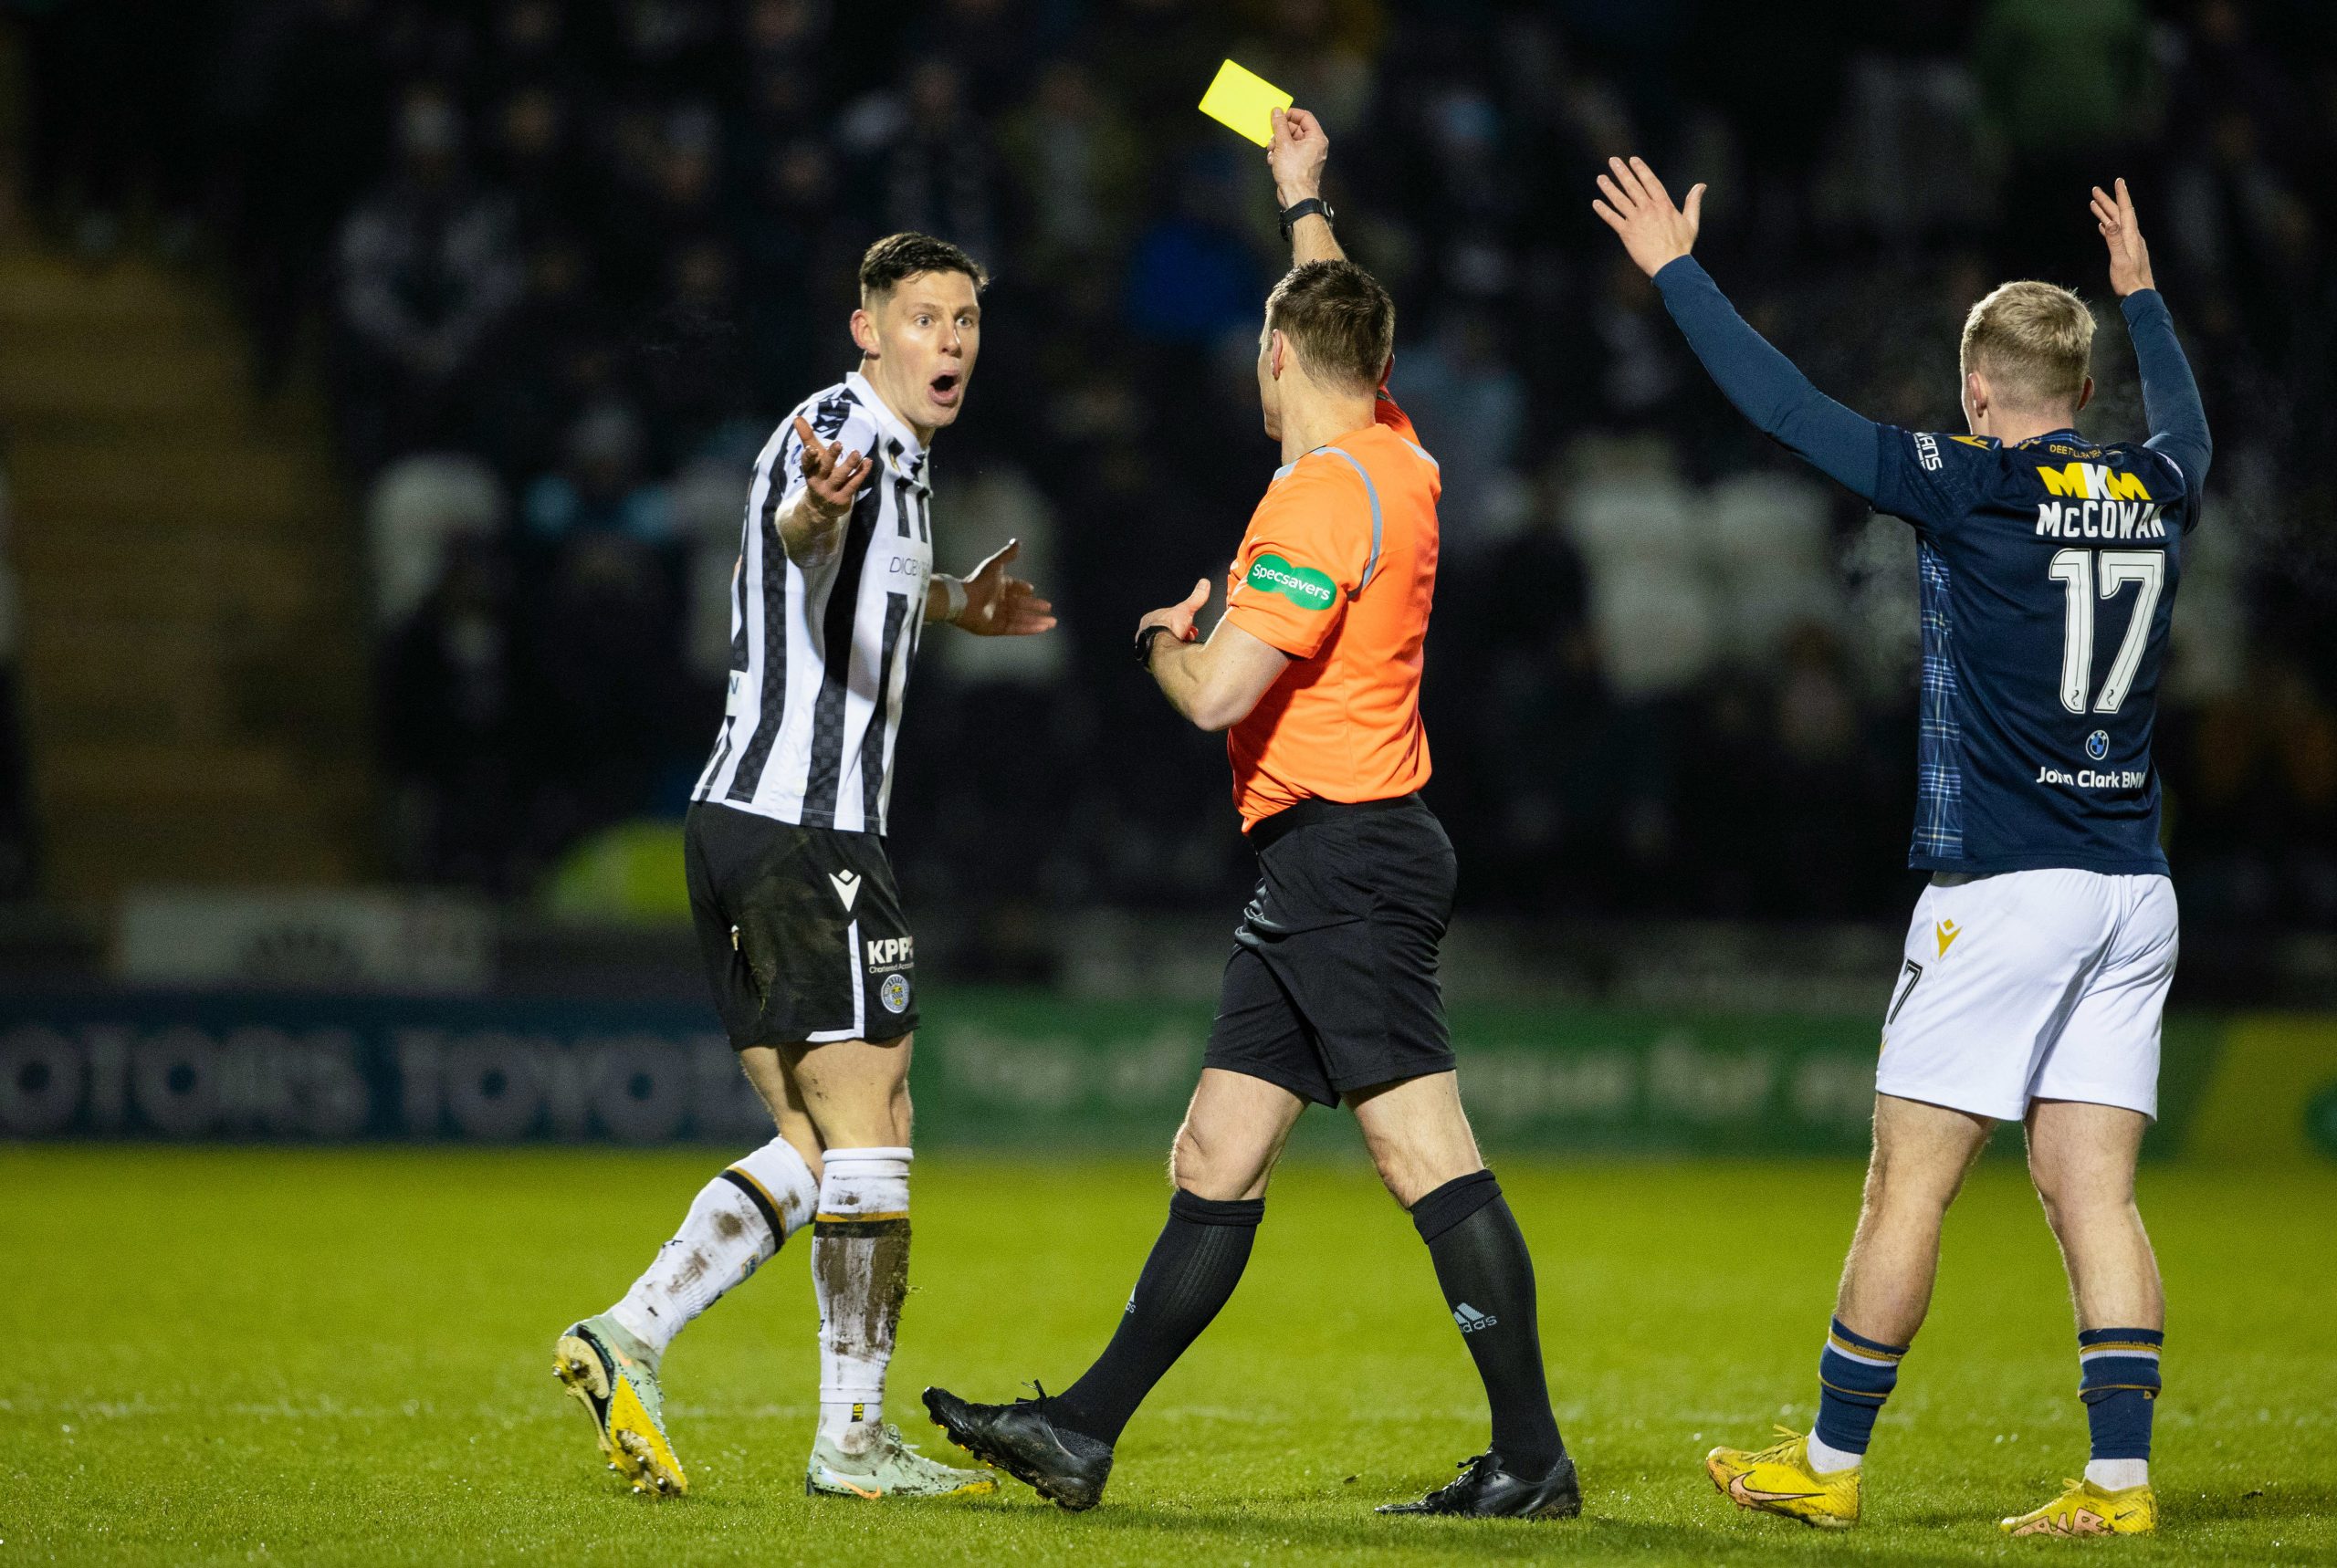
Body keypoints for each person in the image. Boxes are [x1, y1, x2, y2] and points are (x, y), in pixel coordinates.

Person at [922, 108, 1581, 1522]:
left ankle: (1532, 1458)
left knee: (1425, 1154)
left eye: (1267, 346)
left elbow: (1220, 696)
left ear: (1273, 359)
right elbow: (1342, 310)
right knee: (1215, 1152)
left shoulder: (1315, 506)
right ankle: (1083, 1433)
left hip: (1347, 854)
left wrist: (1167, 635)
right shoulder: (1399, 450)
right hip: (1326, 857)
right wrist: (1303, 197)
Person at [1594, 162, 2208, 1537]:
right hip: (2134, 886)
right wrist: (2148, 296)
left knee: (1908, 1176)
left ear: (1980, 390)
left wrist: (1675, 273)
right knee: (2090, 1188)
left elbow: (1790, 413)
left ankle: (1827, 1456)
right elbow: (2196, 432)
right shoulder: (2162, 490)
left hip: (2006, 885)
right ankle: (2118, 1485)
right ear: (2089, 394)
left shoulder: (1977, 487)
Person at [553, 232, 1057, 1501]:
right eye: (925, 317)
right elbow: (800, 531)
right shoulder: (837, 441)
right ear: (867, 327)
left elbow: (853, 585)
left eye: (965, 321)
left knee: (824, 1148)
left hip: (742, 825)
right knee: (877, 1125)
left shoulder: (899, 456)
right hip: (806, 833)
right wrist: (810, 511)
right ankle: (850, 1438)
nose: (950, 340)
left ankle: (630, 1332)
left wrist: (954, 603)